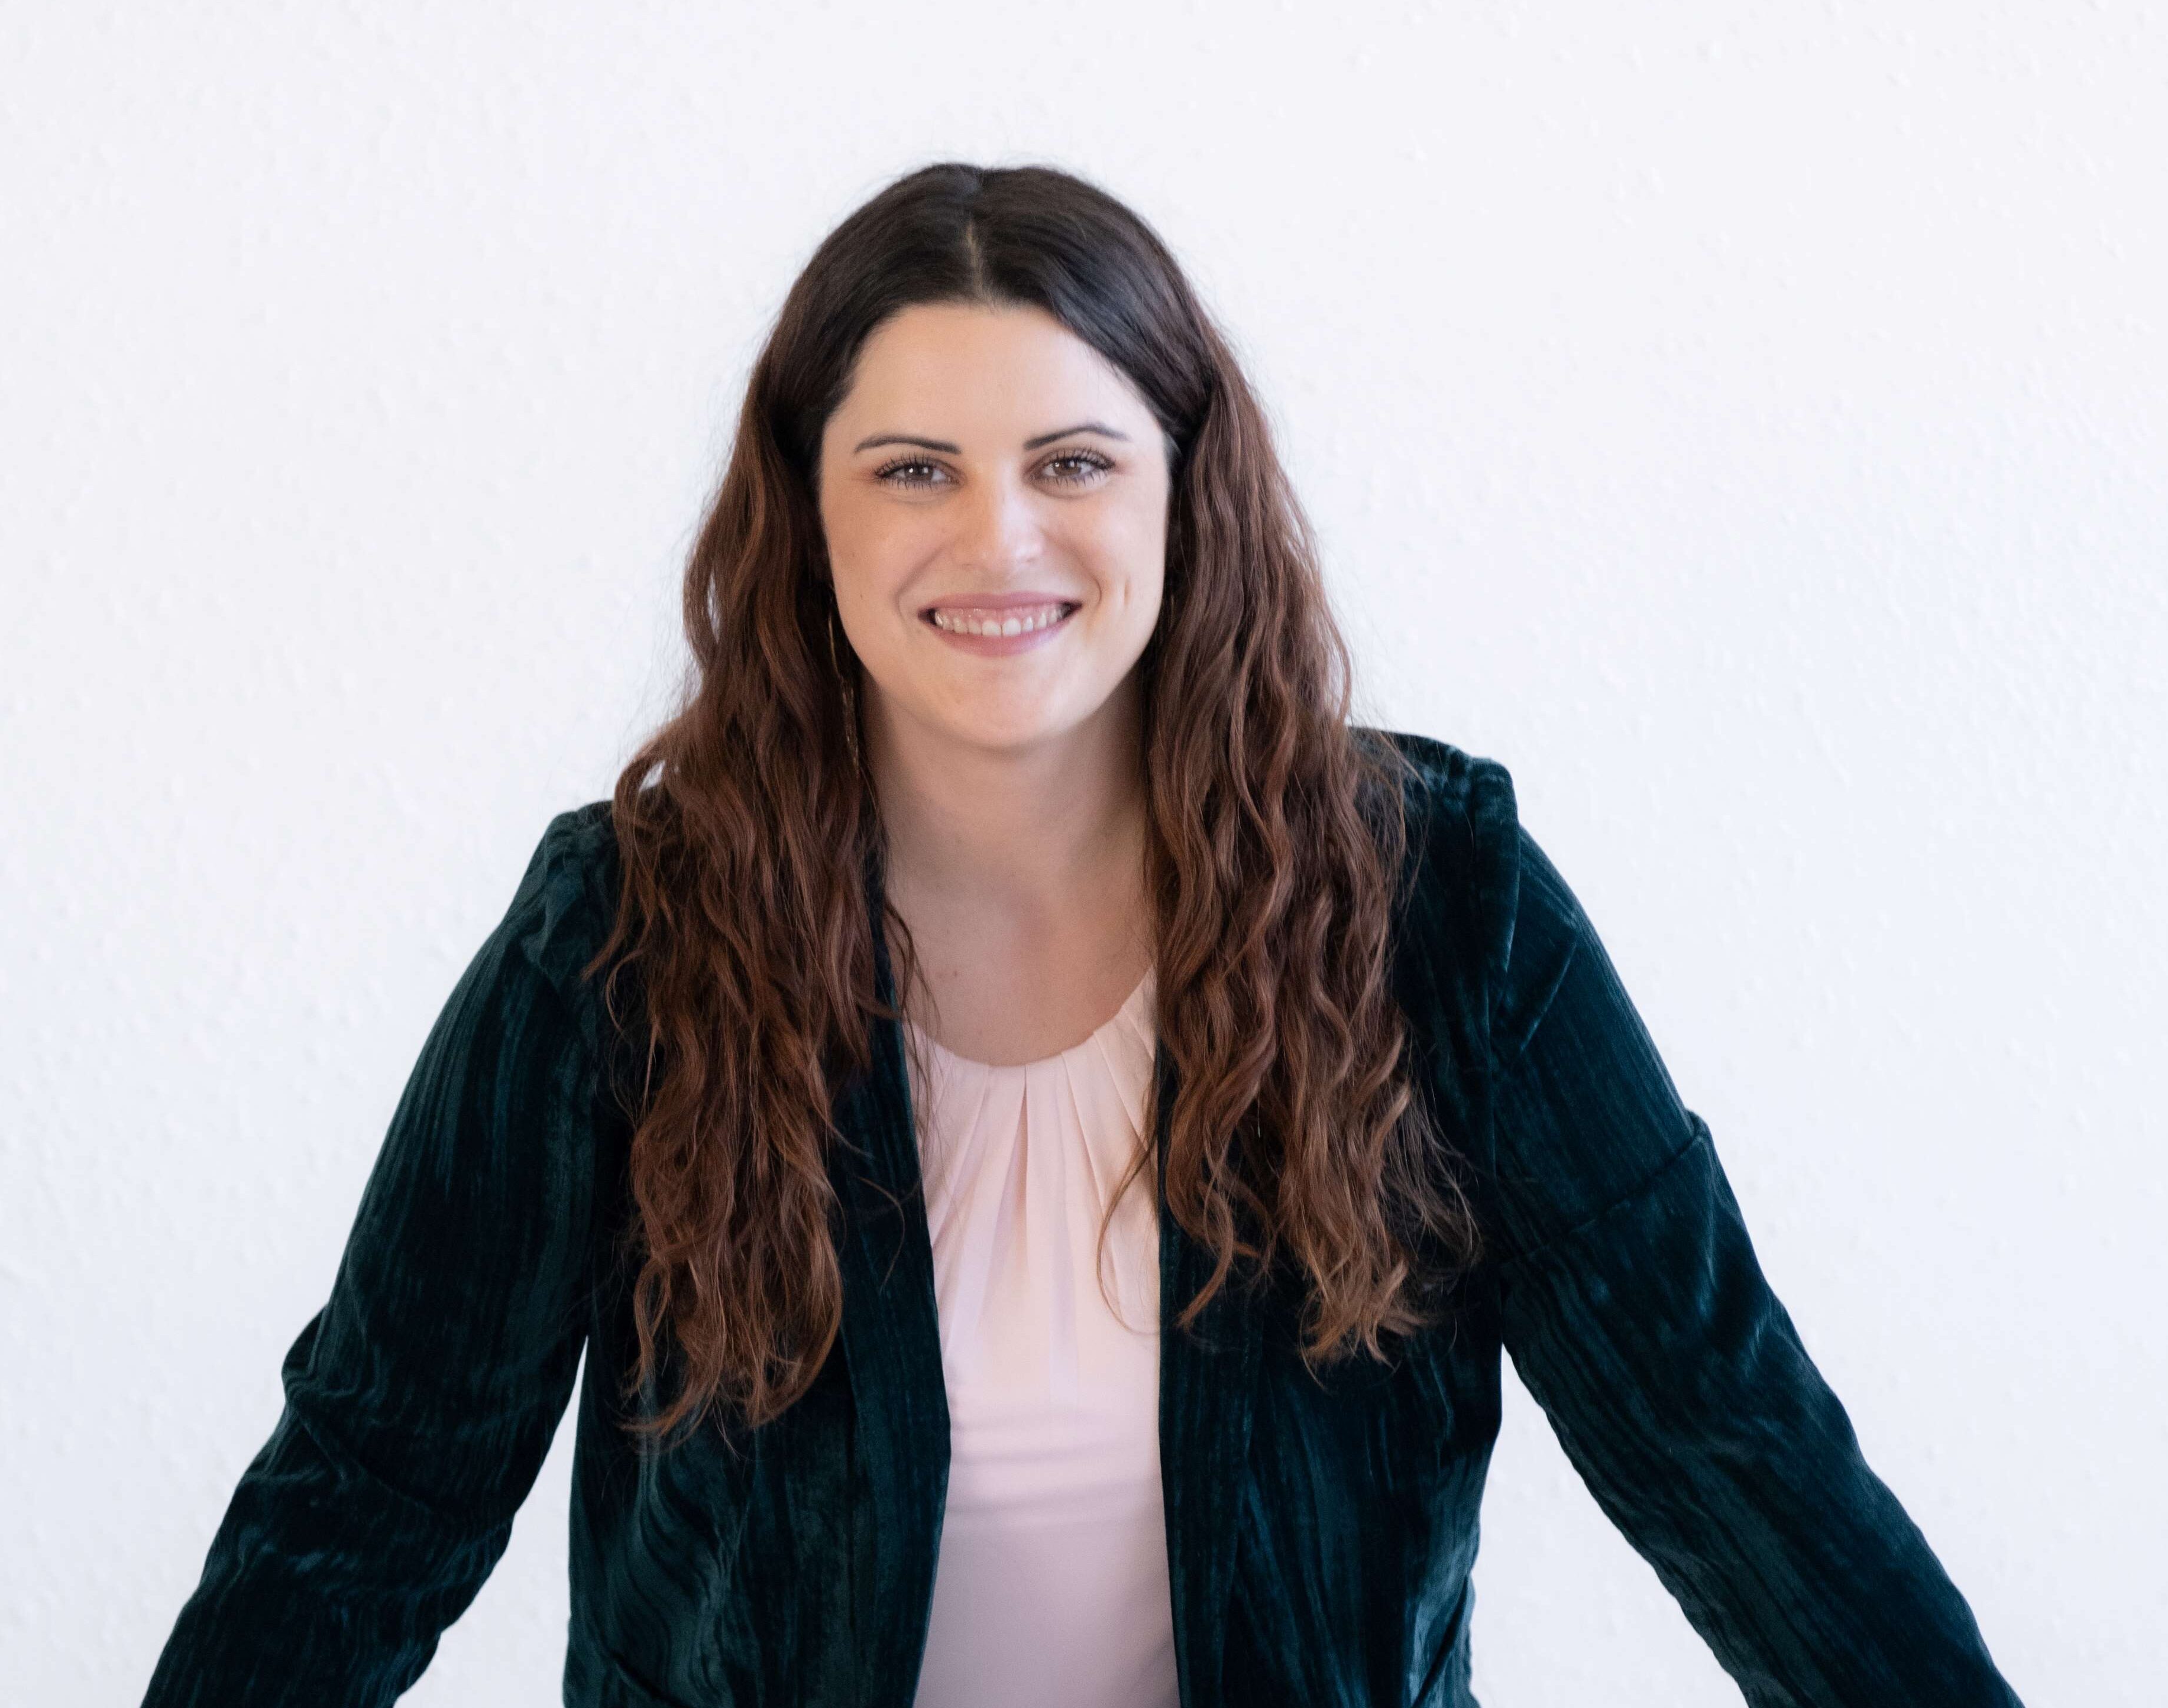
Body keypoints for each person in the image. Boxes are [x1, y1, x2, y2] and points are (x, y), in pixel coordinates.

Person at [142, 162, 2017, 1708]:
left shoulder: (1436, 911)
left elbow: (1732, 1450)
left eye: (1071, 462)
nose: (1000, 540)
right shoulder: (630, 936)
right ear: (805, 513)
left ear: (1188, 495)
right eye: (912, 469)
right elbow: (371, 1496)